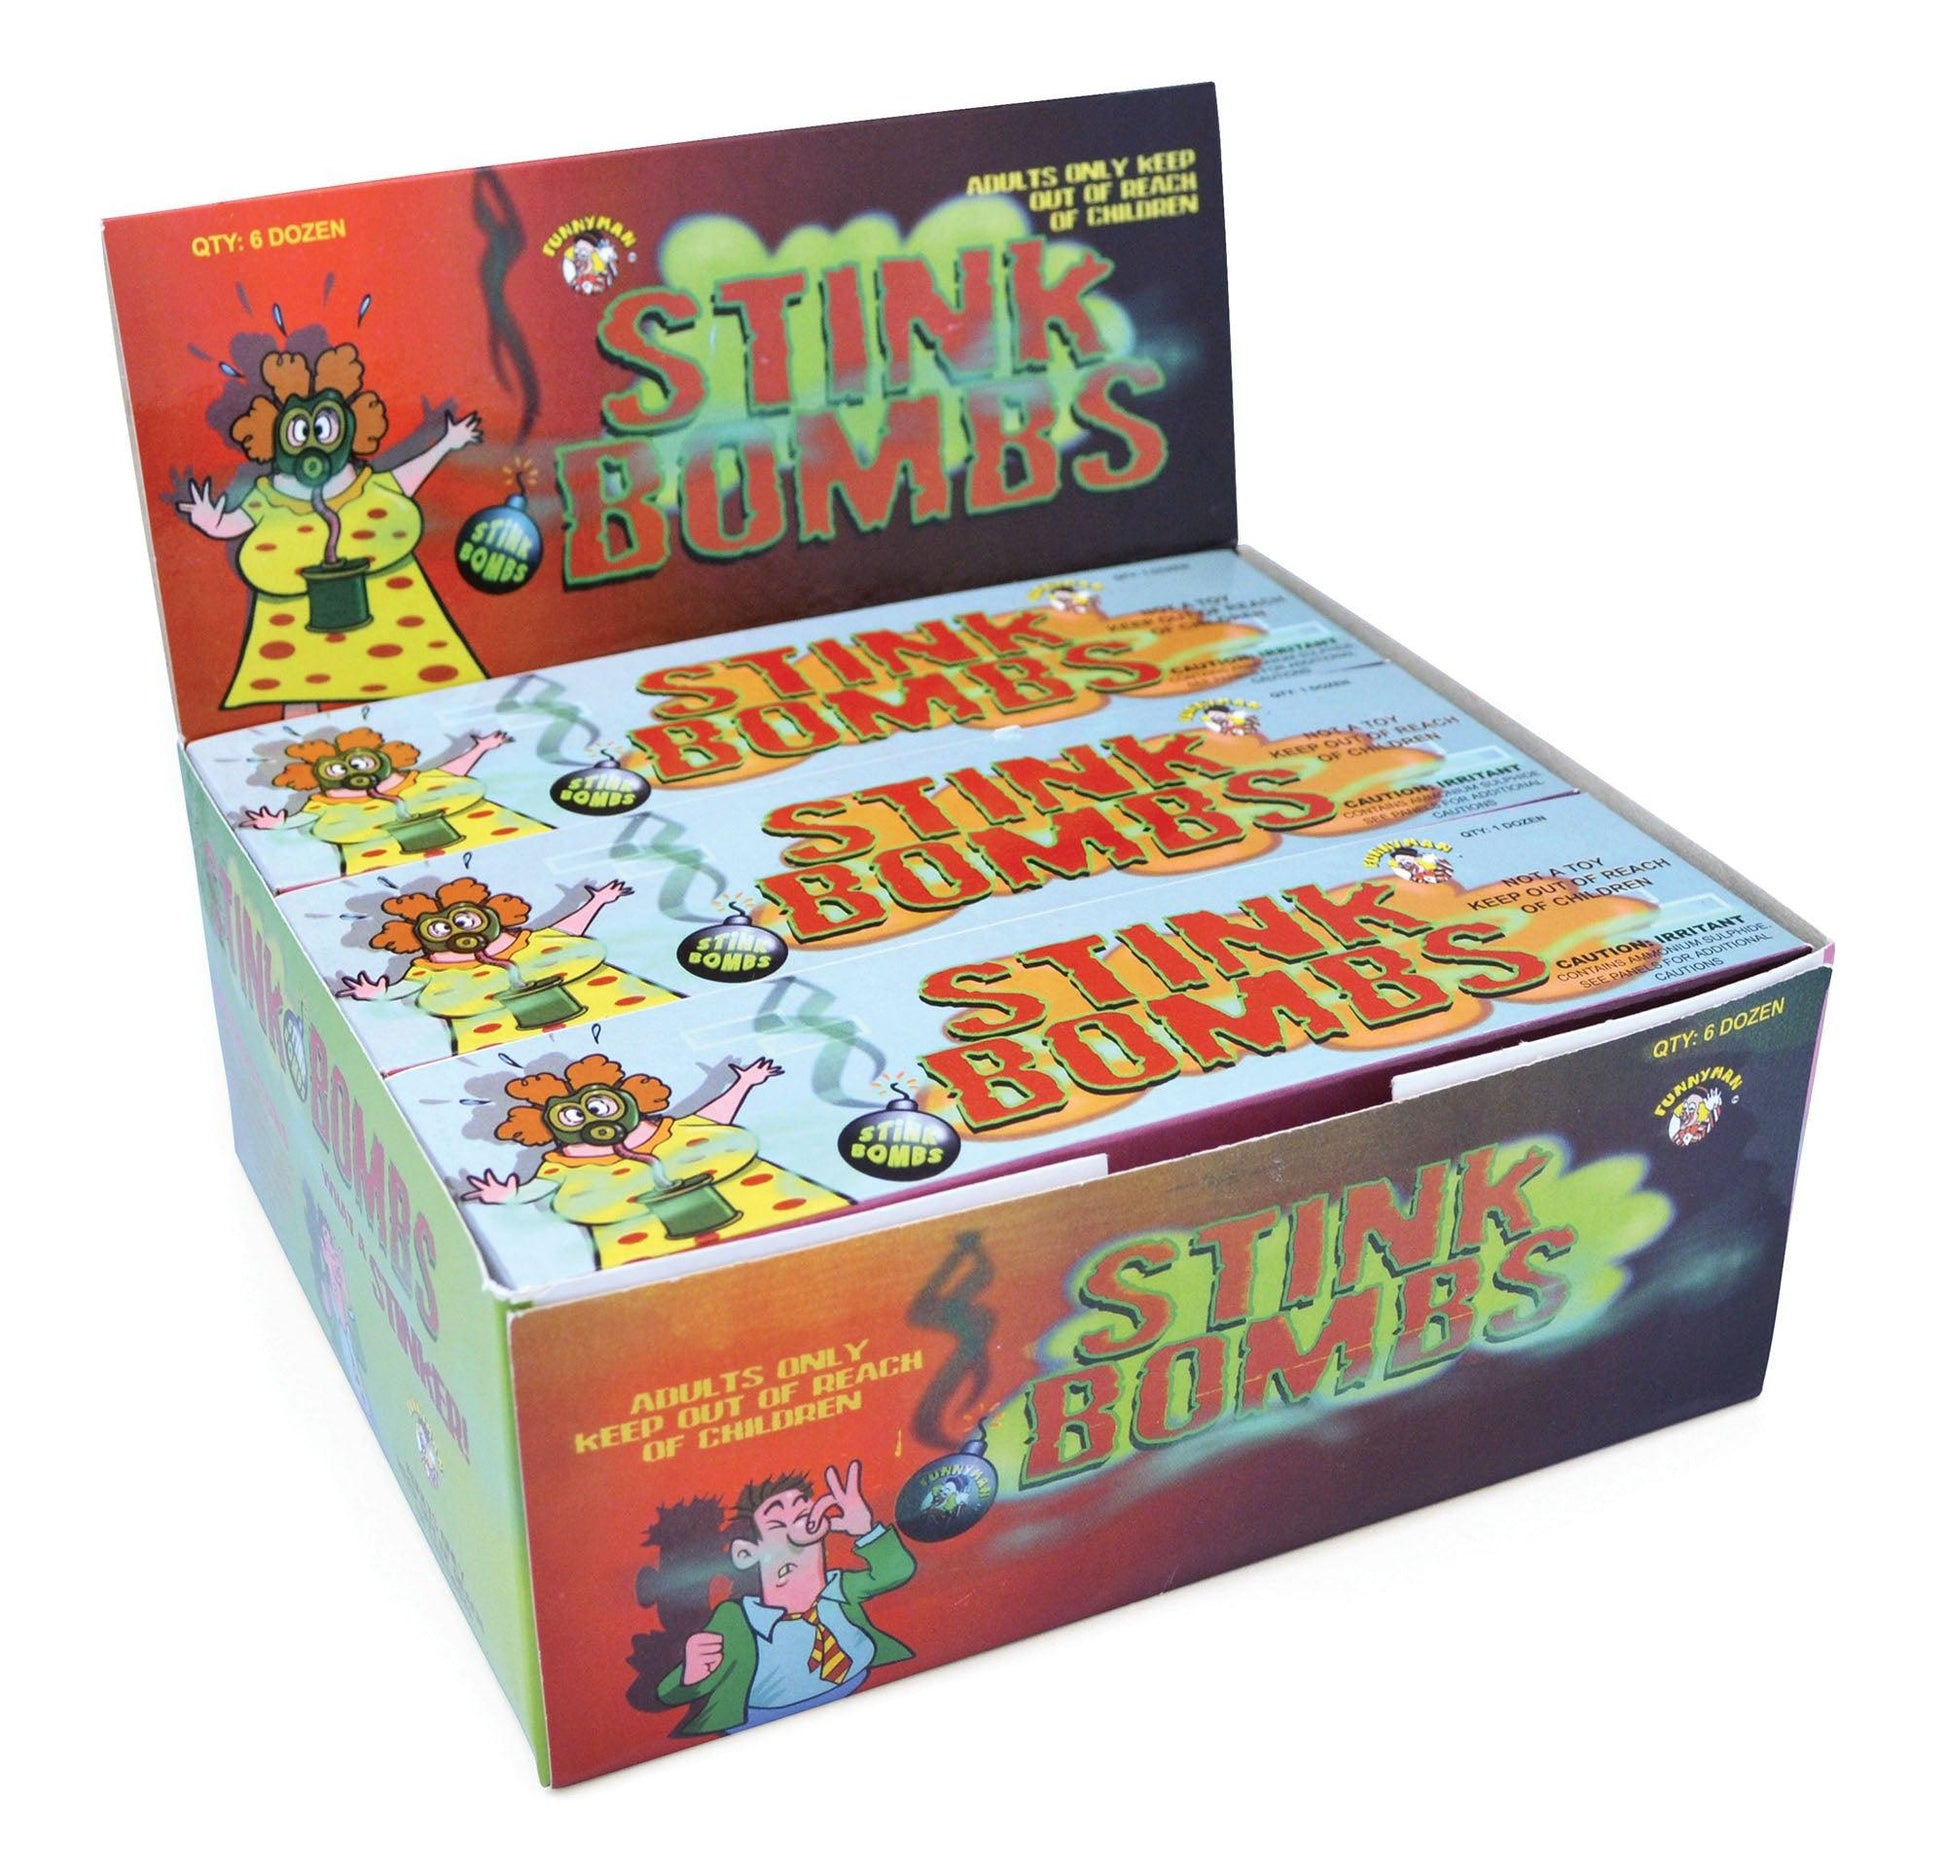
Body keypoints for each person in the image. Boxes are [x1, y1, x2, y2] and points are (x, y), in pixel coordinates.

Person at [653, 1463, 915, 1735]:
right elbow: (669, 1694)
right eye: (778, 1525)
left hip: (863, 1699)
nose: (797, 1530)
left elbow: (896, 1572)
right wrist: (692, 1675)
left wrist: (864, 1529)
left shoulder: (838, 1590)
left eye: (803, 1515)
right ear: (746, 1553)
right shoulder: (738, 1620)